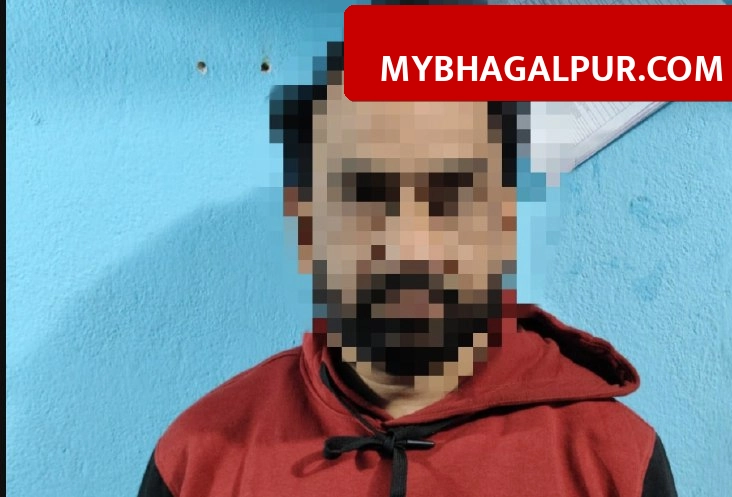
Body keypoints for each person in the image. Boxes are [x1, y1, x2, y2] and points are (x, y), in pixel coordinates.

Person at [137, 38, 679, 497]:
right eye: (365, 195)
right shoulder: (196, 462)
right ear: (307, 229)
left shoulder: (616, 463)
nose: (409, 245)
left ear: (504, 225)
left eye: (451, 195)